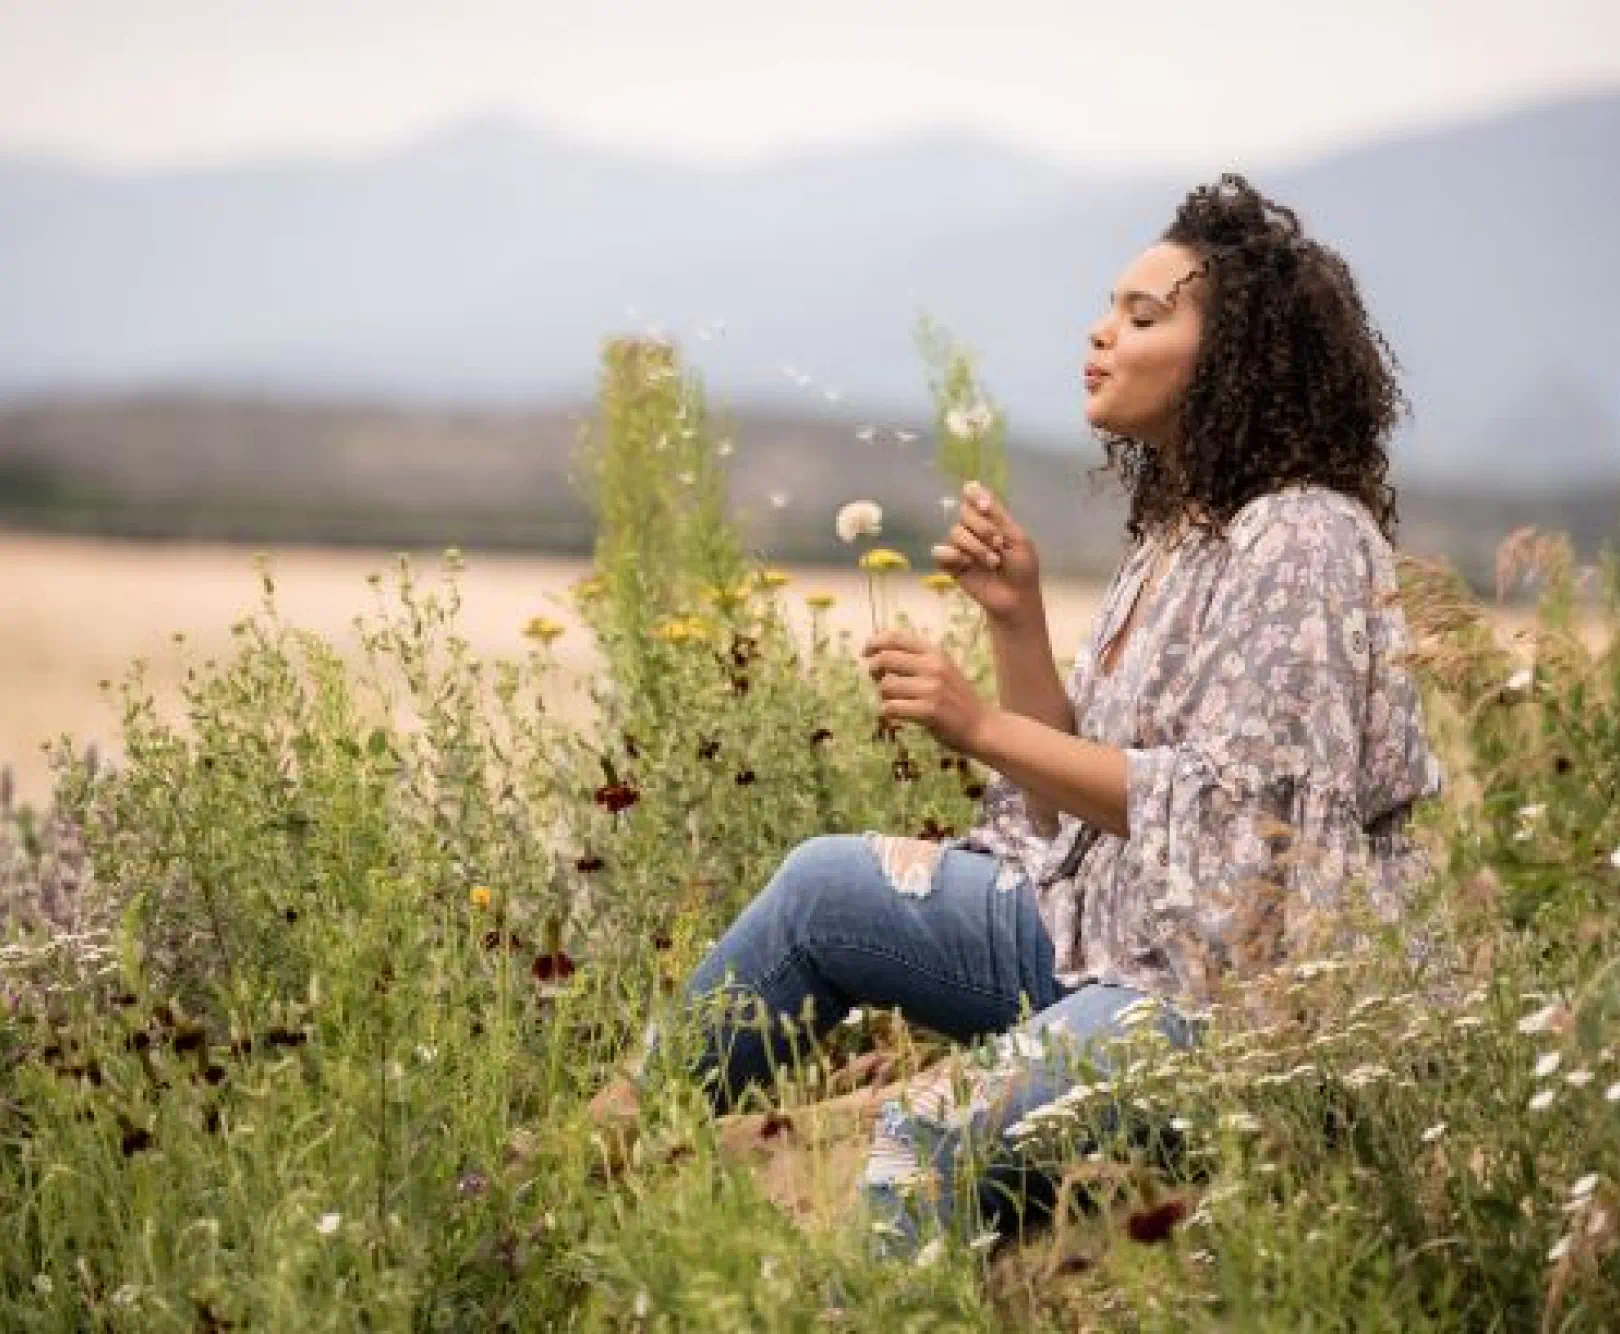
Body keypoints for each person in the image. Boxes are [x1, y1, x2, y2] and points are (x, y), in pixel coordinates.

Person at [590, 172, 1445, 1257]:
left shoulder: (1303, 541)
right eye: (1108, 309)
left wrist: (980, 725)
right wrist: (1017, 625)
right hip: (1123, 933)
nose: (1100, 332)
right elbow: (1072, 817)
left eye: (1142, 316)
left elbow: (1241, 825)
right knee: (821, 888)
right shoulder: (1183, 536)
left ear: (1229, 359)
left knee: (925, 1137)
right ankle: (601, 1157)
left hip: (1246, 996)